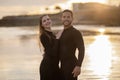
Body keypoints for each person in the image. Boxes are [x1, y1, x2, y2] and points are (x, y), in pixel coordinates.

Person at [59, 9, 85, 80]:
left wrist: (78, 66)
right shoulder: (61, 33)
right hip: (62, 66)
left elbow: (81, 50)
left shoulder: (76, 32)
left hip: (72, 66)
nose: (66, 19)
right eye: (64, 17)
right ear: (61, 18)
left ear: (72, 19)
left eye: (68, 17)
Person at [39, 15, 61, 80]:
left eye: (48, 19)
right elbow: (52, 52)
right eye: (44, 21)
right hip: (47, 67)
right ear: (42, 25)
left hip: (55, 66)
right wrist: (57, 39)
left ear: (51, 20)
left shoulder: (52, 35)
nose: (47, 21)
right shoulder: (43, 36)